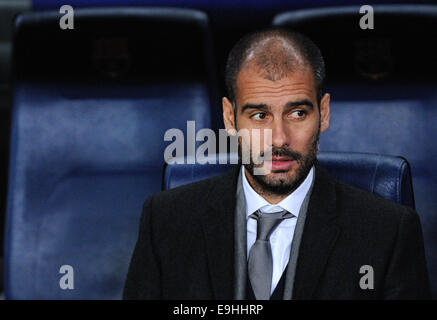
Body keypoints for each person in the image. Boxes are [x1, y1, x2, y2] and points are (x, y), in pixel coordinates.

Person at [123, 28, 430, 299]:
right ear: (230, 118)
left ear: (323, 113)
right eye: (260, 116)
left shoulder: (388, 232)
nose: (279, 139)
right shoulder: (165, 221)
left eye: (297, 113)